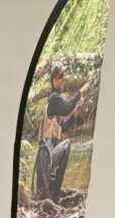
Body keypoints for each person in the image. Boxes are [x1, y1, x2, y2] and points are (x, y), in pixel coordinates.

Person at [32, 60, 90, 203]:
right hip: (46, 158)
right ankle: (54, 193)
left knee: (65, 145)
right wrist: (80, 93)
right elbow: (66, 108)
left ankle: (54, 192)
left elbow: (63, 126)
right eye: (62, 77)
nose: (63, 80)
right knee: (67, 144)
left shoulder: (54, 100)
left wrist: (74, 115)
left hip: (48, 159)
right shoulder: (53, 98)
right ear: (56, 80)